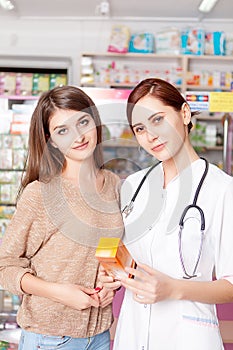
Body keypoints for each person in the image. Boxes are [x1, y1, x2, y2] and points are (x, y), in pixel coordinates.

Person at [100, 78, 233, 350]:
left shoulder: (222, 189)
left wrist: (173, 289)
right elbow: (130, 261)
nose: (151, 136)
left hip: (189, 337)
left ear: (184, 113)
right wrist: (114, 275)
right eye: (140, 128)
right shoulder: (134, 187)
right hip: (132, 334)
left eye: (158, 120)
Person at [0, 85, 124, 350]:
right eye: (62, 130)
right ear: (51, 140)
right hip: (50, 338)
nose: (78, 136)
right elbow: (5, 267)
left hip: (101, 335)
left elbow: (115, 253)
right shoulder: (41, 193)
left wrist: (111, 283)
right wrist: (59, 292)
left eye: (83, 121)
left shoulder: (114, 185)